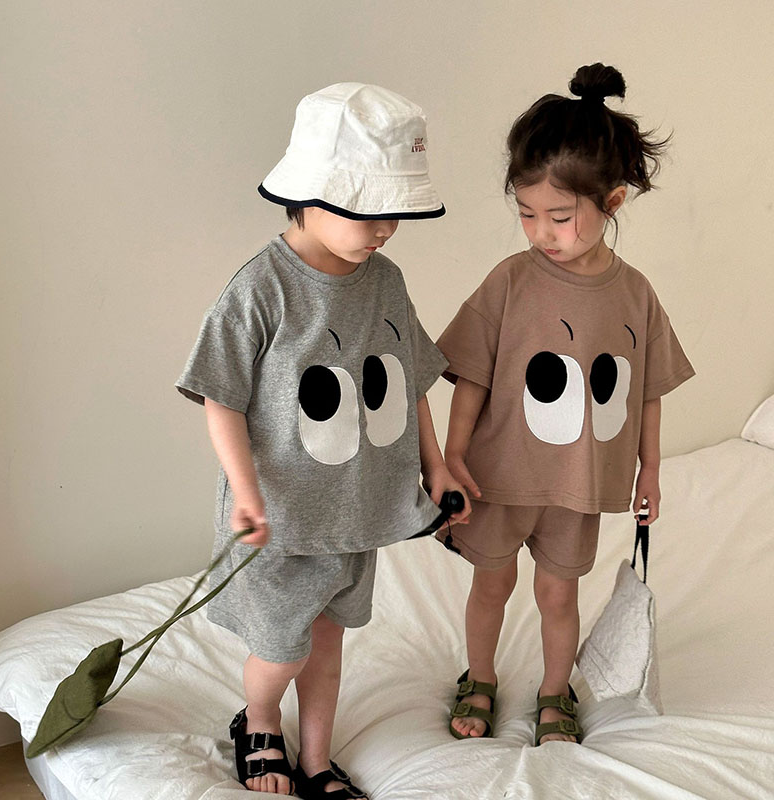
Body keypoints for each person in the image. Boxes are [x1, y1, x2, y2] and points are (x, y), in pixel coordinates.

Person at [177, 83, 466, 798]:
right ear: (308, 193)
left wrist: (435, 468)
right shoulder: (261, 289)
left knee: (329, 646)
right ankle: (259, 720)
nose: (384, 229)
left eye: (395, 212)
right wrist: (246, 494)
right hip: (280, 518)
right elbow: (220, 398)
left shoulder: (386, 283)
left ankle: (315, 761)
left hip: (356, 509)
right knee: (282, 649)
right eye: (368, 210)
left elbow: (410, 381)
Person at [436, 64, 695, 746]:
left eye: (557, 217)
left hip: (576, 485)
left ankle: (555, 694)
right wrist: (454, 454)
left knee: (558, 595)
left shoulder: (635, 294)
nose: (539, 232)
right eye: (526, 214)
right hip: (497, 478)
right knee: (491, 587)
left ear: (612, 202)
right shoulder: (510, 281)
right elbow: (471, 375)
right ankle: (479, 678)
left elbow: (647, 390)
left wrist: (650, 470)